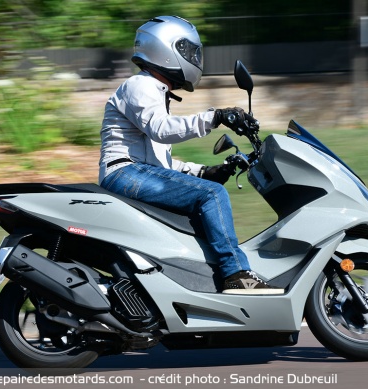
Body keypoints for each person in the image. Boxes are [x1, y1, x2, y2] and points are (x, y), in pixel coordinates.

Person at [98, 16, 282, 294]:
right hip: (125, 173)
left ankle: (198, 285)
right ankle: (236, 274)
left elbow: (159, 162)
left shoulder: (153, 90)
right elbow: (162, 130)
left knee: (205, 194)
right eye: (189, 51)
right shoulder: (141, 85)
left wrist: (205, 171)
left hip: (134, 172)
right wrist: (216, 116)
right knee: (211, 195)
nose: (195, 58)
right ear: (166, 48)